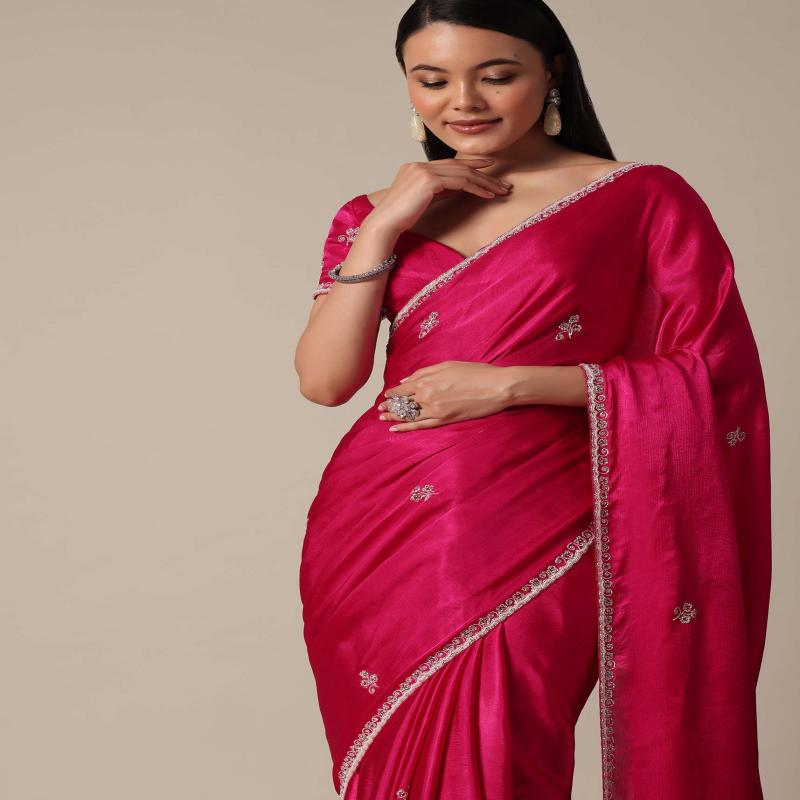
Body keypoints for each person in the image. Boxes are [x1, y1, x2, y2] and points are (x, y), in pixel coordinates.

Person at [293, 2, 771, 798]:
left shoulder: (640, 196)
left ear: (552, 72)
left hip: (542, 520)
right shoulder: (372, 213)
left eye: (496, 75)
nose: (464, 102)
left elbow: (711, 373)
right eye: (432, 80)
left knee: (507, 750)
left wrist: (513, 385)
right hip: (376, 527)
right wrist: (381, 230)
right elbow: (325, 382)